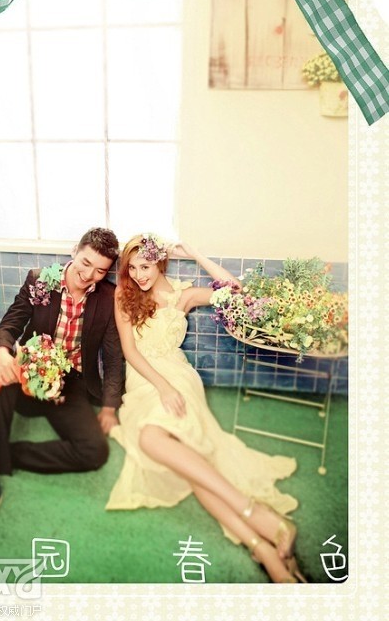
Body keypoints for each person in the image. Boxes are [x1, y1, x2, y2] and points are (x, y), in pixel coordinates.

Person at [106, 234, 306, 584]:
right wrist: (162, 387)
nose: (138, 275)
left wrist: (196, 254)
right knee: (183, 458)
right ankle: (262, 537)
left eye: (145, 266)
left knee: (164, 445)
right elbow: (130, 352)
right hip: (145, 381)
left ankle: (263, 543)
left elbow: (236, 292)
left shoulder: (183, 296)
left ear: (160, 263)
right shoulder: (124, 295)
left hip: (179, 376)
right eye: (132, 268)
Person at [0, 227, 125, 559]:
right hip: (29, 374)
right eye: (86, 263)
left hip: (71, 385)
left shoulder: (107, 297)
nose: (89, 275)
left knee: (94, 452)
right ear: (74, 251)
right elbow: (9, 326)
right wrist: (1, 352)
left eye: (100, 270)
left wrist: (109, 407)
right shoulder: (39, 281)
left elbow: (114, 357)